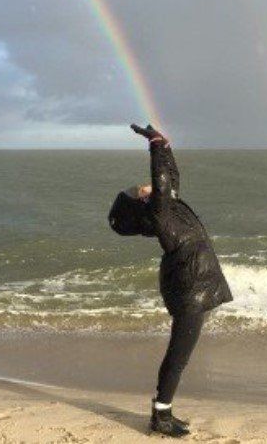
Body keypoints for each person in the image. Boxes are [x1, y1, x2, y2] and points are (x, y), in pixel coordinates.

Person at [108, 123, 233, 437]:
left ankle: (162, 412)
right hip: (190, 289)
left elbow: (170, 180)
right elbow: (161, 183)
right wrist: (155, 146)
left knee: (180, 355)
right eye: (141, 191)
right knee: (179, 356)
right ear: (142, 203)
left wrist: (166, 146)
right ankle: (161, 416)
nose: (145, 187)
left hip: (195, 284)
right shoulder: (160, 214)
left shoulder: (168, 210)